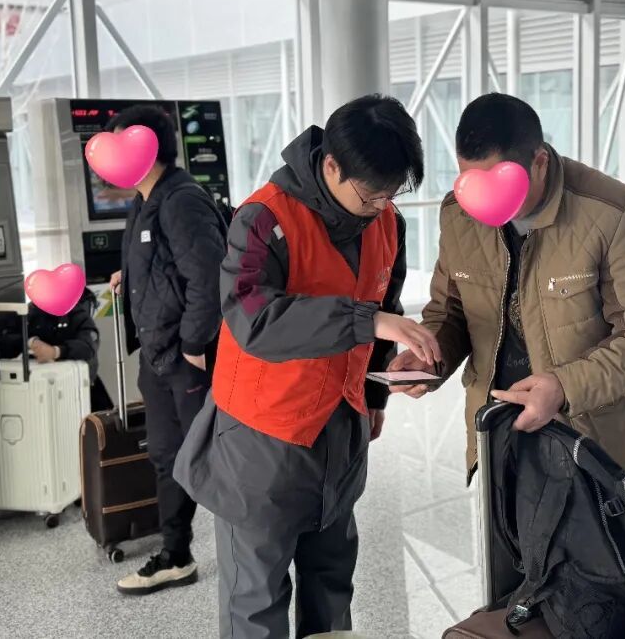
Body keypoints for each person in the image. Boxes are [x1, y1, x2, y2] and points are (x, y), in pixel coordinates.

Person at [390, 93, 625, 596]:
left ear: (539, 161)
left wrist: (563, 387)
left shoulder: (610, 211)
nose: (486, 203)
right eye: (471, 181)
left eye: (500, 183)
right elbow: (451, 311)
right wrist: (429, 356)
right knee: (515, 589)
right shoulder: (459, 215)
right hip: (502, 436)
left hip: (593, 441)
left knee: (596, 596)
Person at [175, 94, 437, 639]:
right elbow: (254, 320)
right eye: (371, 193)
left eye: (392, 192)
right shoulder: (263, 218)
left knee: (331, 583)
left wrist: (377, 395)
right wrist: (366, 321)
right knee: (256, 598)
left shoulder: (387, 221)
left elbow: (383, 303)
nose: (381, 205)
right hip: (262, 440)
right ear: (332, 166)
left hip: (340, 430)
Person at [104, 105, 227, 596]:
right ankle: (176, 555)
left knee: (214, 455)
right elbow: (166, 263)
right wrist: (130, 275)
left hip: (185, 355)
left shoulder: (181, 200)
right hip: (157, 354)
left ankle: (253, 550)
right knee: (166, 455)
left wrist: (195, 345)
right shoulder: (144, 200)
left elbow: (209, 277)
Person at [0, 287, 113, 412]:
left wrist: (55, 351)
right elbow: (5, 339)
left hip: (81, 387)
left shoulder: (78, 314)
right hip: (42, 388)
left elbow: (87, 347)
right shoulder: (34, 311)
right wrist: (31, 342)